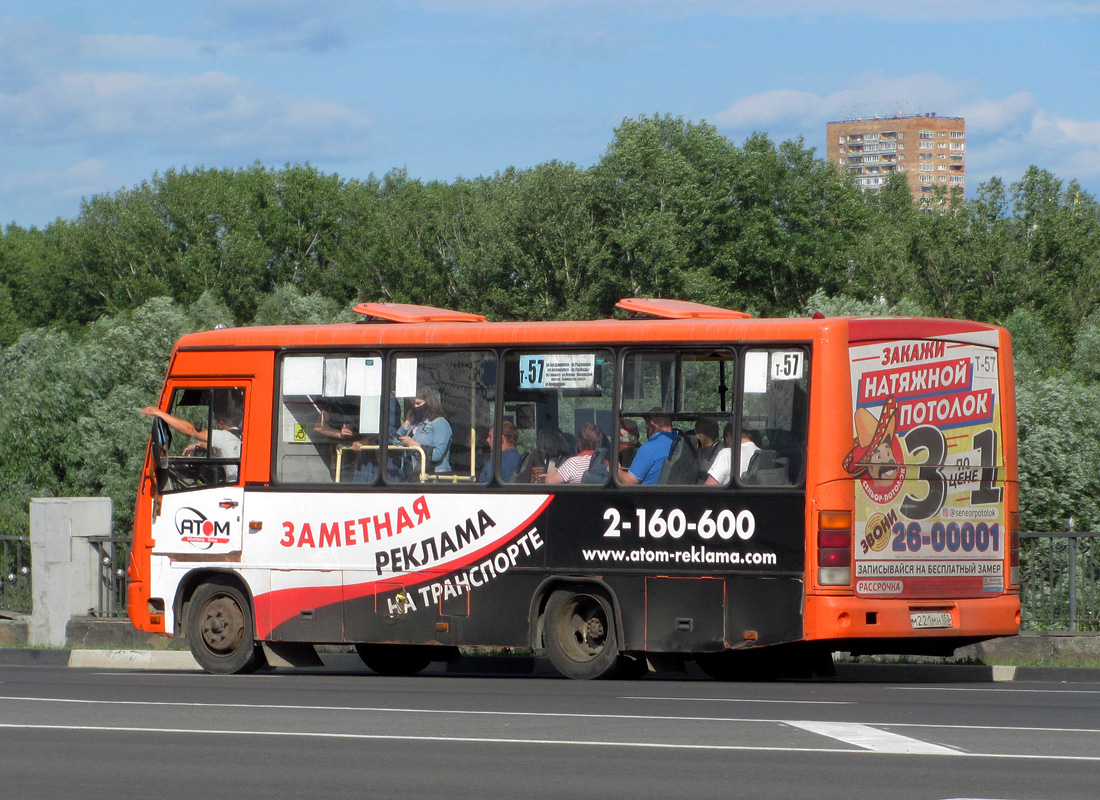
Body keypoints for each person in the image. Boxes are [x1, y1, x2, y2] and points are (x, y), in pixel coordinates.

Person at [141, 403, 243, 482]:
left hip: (232, 488)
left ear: (220, 422)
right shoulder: (240, 436)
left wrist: (160, 413)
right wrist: (200, 445)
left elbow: (190, 430)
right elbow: (223, 451)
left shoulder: (224, 436)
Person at [395, 385, 452, 477]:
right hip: (412, 475)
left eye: (418, 403)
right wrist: (407, 423)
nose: (415, 407)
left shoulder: (439, 423)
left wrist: (415, 445)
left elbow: (437, 455)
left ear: (428, 403)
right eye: (412, 405)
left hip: (433, 476)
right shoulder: (413, 424)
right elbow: (396, 444)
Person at [618, 411, 677, 486]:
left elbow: (629, 481)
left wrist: (615, 470)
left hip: (647, 495)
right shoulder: (679, 442)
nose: (647, 433)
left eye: (647, 429)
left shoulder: (649, 448)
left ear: (652, 426)